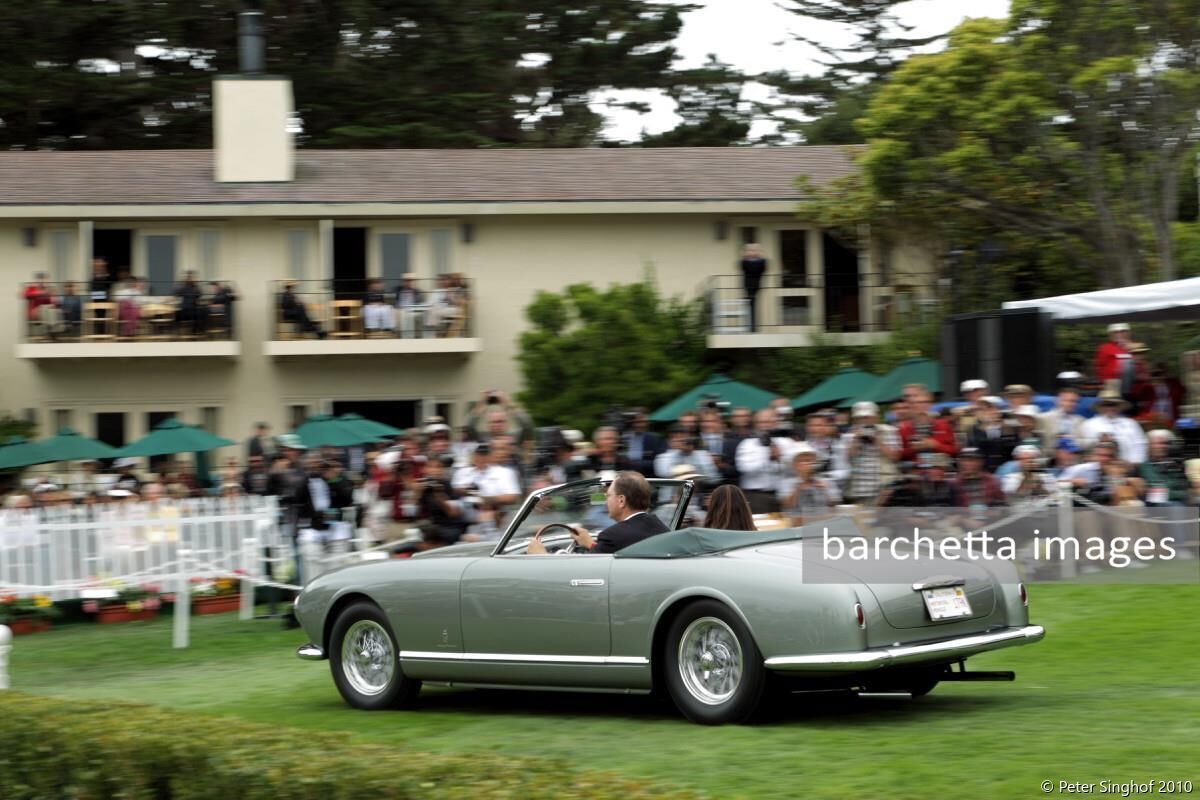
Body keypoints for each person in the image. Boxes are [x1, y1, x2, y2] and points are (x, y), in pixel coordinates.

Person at [527, 471, 667, 554]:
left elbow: (583, 572)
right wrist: (590, 543)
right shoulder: (661, 528)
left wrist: (542, 555)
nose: (605, 499)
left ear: (621, 501)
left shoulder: (612, 535)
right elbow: (610, 551)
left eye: (609, 495)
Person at [840, 401, 900, 505]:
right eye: (860, 418)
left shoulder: (889, 431)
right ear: (855, 419)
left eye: (867, 417)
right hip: (860, 487)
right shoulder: (849, 434)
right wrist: (856, 440)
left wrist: (876, 440)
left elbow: (895, 457)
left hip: (883, 484)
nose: (864, 420)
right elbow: (848, 459)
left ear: (876, 417)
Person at [735, 409, 796, 513]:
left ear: (776, 423)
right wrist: (767, 457)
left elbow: (794, 469)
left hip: (782, 495)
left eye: (769, 422)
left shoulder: (786, 442)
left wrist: (780, 459)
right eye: (761, 422)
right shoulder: (747, 444)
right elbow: (744, 468)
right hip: (756, 496)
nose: (765, 425)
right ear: (755, 424)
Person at [1080, 391, 1147, 464]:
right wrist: (1098, 440)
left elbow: (1140, 444)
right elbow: (1086, 448)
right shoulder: (1089, 424)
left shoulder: (1131, 423)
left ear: (1119, 407)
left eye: (1113, 405)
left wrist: (1135, 463)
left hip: (1130, 464)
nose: (1110, 408)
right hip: (1099, 466)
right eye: (1106, 405)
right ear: (1101, 407)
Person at [779, 444, 840, 520]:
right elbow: (787, 506)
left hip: (822, 521)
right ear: (794, 465)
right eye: (801, 461)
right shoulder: (786, 483)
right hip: (797, 522)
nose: (806, 464)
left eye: (809, 460)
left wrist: (825, 490)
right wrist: (799, 486)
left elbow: (834, 505)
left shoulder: (826, 481)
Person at [654, 426, 719, 480]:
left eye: (683, 437)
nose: (680, 440)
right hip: (672, 491)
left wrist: (691, 453)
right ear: (669, 442)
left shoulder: (703, 455)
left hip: (698, 490)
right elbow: (664, 473)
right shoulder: (662, 457)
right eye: (676, 437)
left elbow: (713, 478)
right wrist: (679, 451)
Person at [1039, 388, 1085, 453]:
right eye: (1068, 401)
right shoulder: (1042, 418)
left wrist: (1072, 440)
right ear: (1057, 401)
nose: (1072, 404)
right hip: (1049, 456)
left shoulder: (1081, 420)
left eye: (1075, 401)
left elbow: (1084, 443)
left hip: (1074, 456)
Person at [623, 408, 666, 477]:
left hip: (647, 477)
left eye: (641, 422)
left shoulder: (655, 439)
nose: (638, 425)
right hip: (625, 476)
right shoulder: (624, 438)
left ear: (646, 422)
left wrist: (637, 463)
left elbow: (660, 462)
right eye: (636, 422)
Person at [1094, 322, 1134, 394]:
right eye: (1115, 332)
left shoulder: (1134, 346)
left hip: (1132, 383)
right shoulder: (1105, 348)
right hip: (1112, 384)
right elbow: (1099, 367)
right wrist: (1102, 382)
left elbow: (1140, 362)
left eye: (1122, 331)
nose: (1119, 334)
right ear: (1111, 334)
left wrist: (1128, 348)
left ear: (1128, 333)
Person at [739, 242, 767, 332]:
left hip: (755, 285)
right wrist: (746, 254)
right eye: (750, 250)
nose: (752, 252)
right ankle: (751, 327)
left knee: (752, 305)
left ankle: (752, 327)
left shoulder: (761, 262)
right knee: (750, 305)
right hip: (748, 285)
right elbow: (743, 265)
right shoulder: (745, 262)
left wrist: (758, 254)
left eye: (754, 250)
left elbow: (762, 267)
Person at [174, 271, 207, 336]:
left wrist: (196, 285)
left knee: (200, 313)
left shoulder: (193, 287)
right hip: (188, 310)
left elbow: (200, 294)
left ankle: (194, 331)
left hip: (189, 310)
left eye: (190, 278)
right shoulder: (185, 287)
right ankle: (195, 331)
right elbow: (177, 293)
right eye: (189, 278)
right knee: (199, 314)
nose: (190, 279)